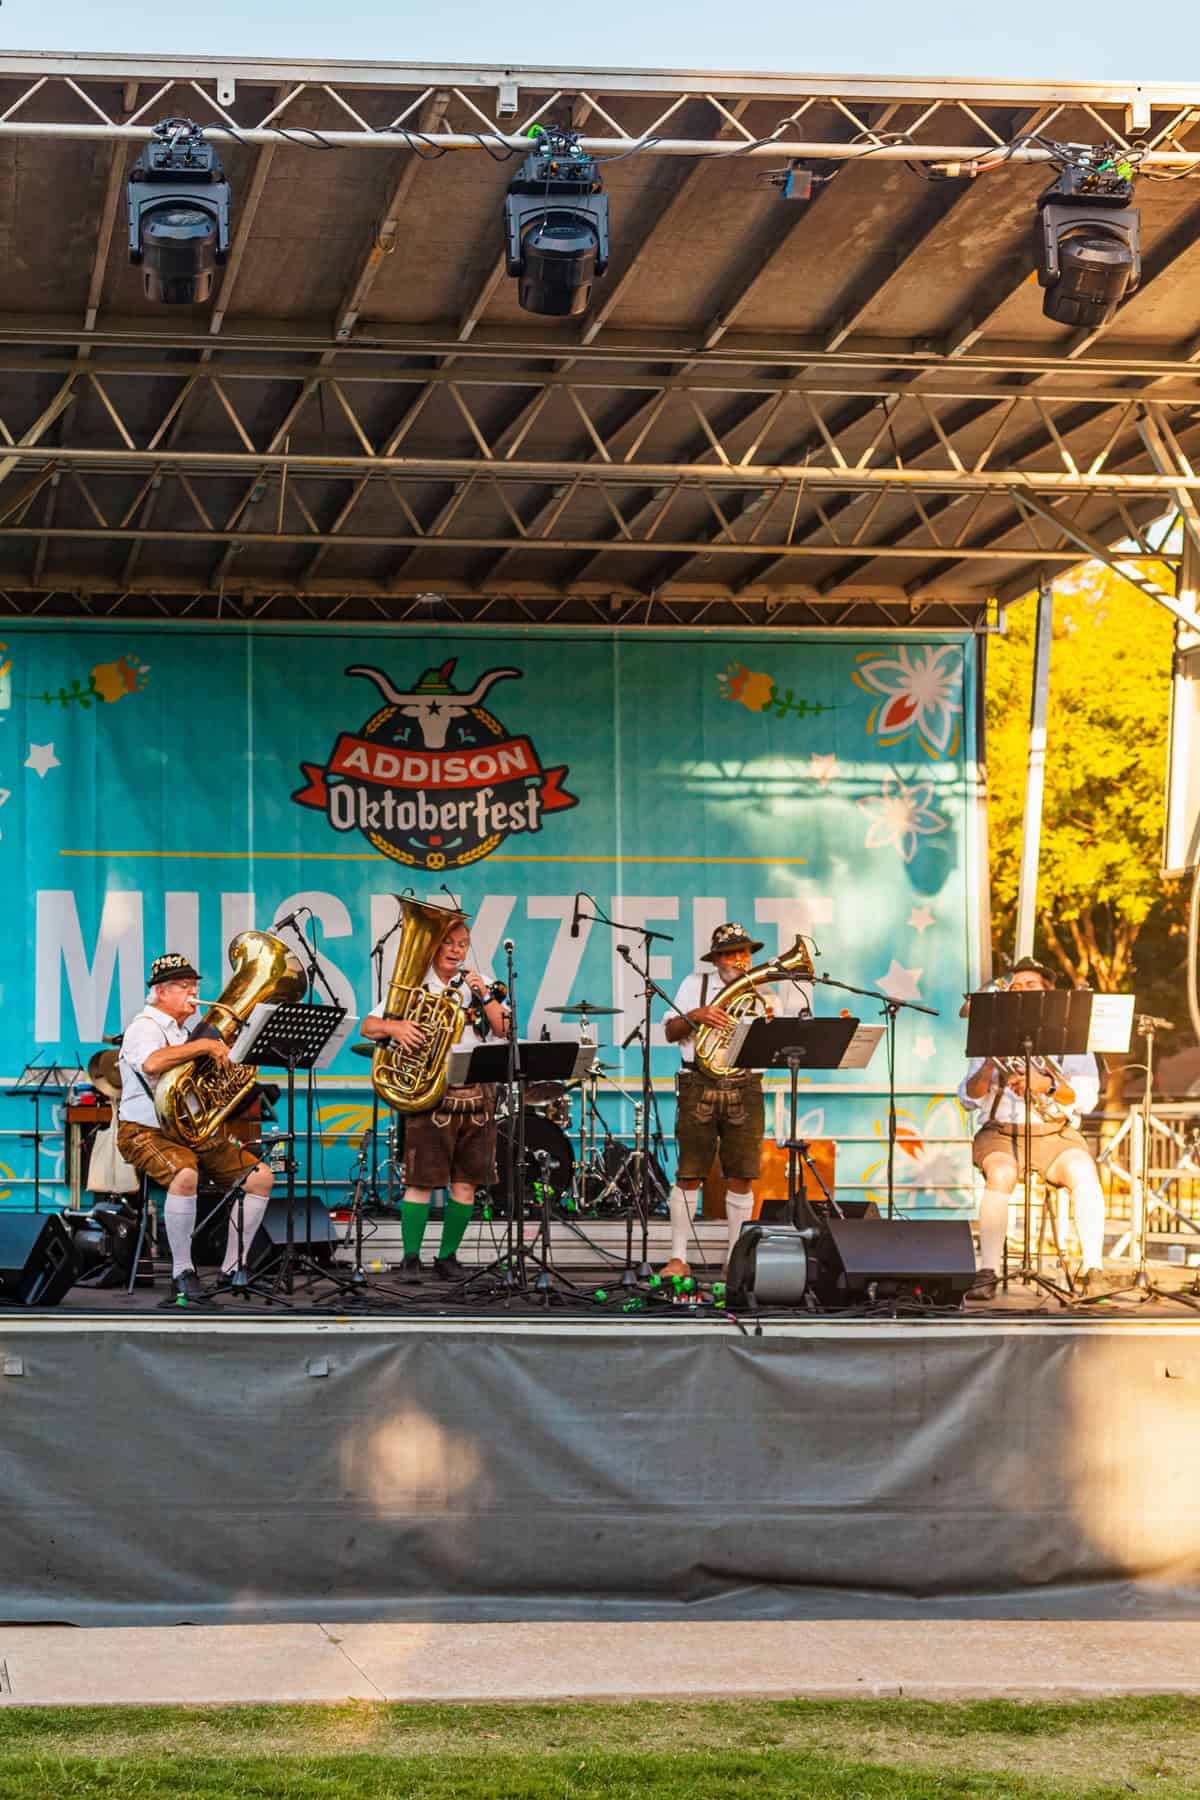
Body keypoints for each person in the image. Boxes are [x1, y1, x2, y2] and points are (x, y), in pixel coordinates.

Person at [116, 953, 274, 1307]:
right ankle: (181, 1274)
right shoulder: (145, 1026)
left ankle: (234, 1267)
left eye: (195, 986)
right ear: (160, 992)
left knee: (260, 1177)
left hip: (189, 1130)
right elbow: (153, 1063)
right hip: (145, 1130)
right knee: (184, 1174)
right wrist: (204, 1045)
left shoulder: (184, 1031)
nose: (193, 993)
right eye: (185, 987)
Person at [361, 917, 508, 1280]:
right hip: (430, 1091)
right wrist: (395, 1026)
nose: (457, 950)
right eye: (449, 943)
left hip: (476, 1095)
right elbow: (368, 1026)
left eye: (463, 944)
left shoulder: (484, 983)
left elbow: (506, 1028)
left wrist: (485, 995)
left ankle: (448, 1257)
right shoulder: (413, 985)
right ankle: (411, 1258)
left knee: (465, 1182)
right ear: (434, 946)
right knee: (422, 1180)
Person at [661, 921, 808, 1279]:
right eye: (730, 953)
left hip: (745, 1085)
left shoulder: (766, 994)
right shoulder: (694, 985)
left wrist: (771, 1023)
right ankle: (679, 1258)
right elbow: (669, 1032)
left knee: (742, 1174)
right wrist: (696, 1016)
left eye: (743, 952)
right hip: (699, 1082)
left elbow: (775, 1047)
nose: (739, 959)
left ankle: (734, 1260)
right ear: (716, 959)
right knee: (689, 1172)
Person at [959, 956, 1104, 1299]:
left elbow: (1085, 1097)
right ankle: (989, 1270)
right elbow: (968, 1097)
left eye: (1032, 985)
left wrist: (1045, 1085)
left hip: (1054, 1132)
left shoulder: (1073, 1039)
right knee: (1001, 1175)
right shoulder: (991, 1036)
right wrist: (988, 1070)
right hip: (1001, 1133)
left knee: (1084, 1172)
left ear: (1048, 992)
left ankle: (1094, 1268)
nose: (1023, 990)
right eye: (1017, 986)